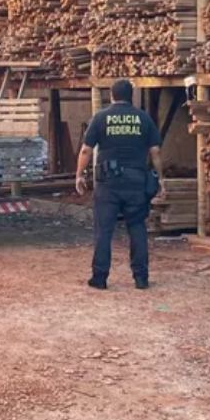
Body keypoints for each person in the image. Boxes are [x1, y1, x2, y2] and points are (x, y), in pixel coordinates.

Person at [75, 79, 163, 290]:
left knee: (103, 230)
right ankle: (141, 278)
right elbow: (156, 152)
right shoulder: (143, 118)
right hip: (136, 182)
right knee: (137, 228)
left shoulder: (101, 118)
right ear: (131, 96)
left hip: (108, 183)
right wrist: (160, 177)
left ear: (112, 95)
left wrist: (79, 175)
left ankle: (100, 278)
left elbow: (86, 150)